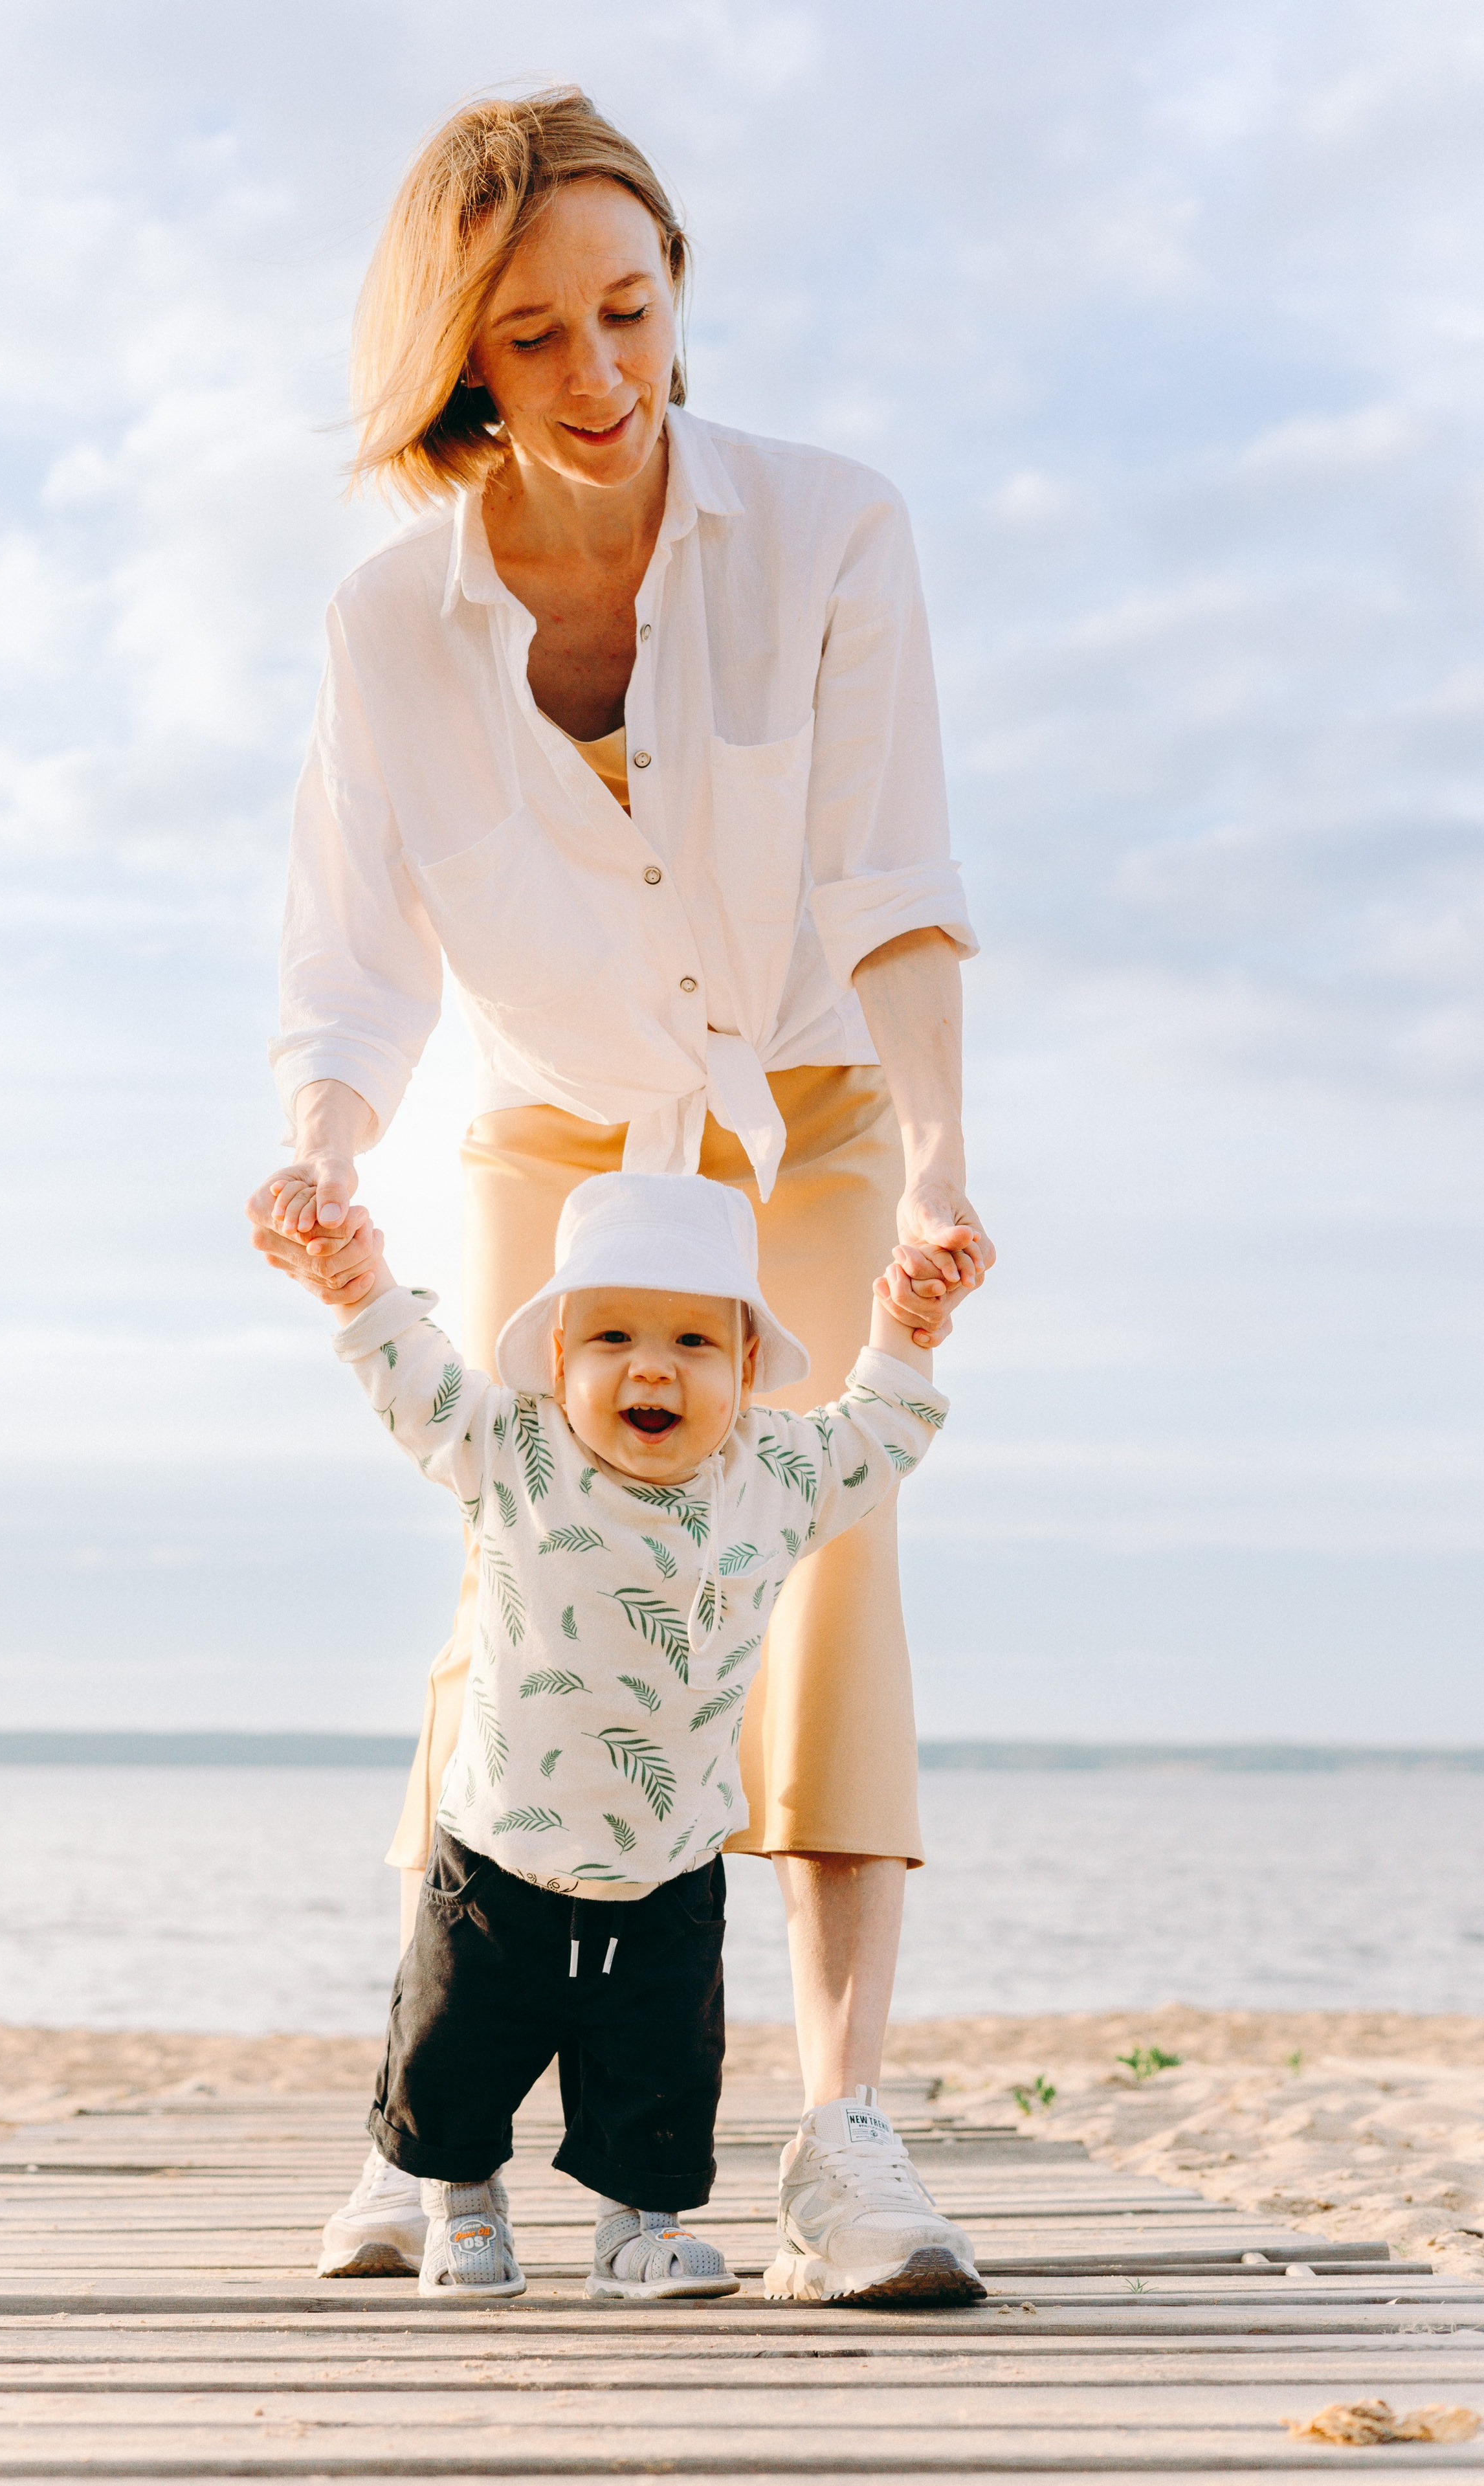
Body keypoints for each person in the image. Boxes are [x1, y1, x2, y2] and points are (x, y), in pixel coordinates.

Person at [249, 85, 995, 2298]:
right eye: (536, 336)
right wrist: (318, 1145)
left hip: (808, 1114)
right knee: (516, 1573)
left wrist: (945, 1152)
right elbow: (352, 948)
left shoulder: (834, 528)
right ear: (461, 355)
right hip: (551, 1128)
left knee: (825, 1575)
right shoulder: (396, 623)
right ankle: (431, 2119)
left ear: (679, 290)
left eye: (632, 312)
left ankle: (844, 2135)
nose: (598, 378)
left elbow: (893, 876)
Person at [316, 1167, 982, 2304]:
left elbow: (881, 1431)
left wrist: (906, 1328)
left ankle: (640, 2227)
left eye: (694, 1341)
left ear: (751, 1368)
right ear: (561, 1353)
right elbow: (411, 1380)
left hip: (671, 1864)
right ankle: (461, 2206)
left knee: (662, 2072)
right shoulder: (511, 1450)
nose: (653, 1366)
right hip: (498, 1855)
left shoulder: (775, 1476)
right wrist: (356, 1283)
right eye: (614, 1336)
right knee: (455, 2052)